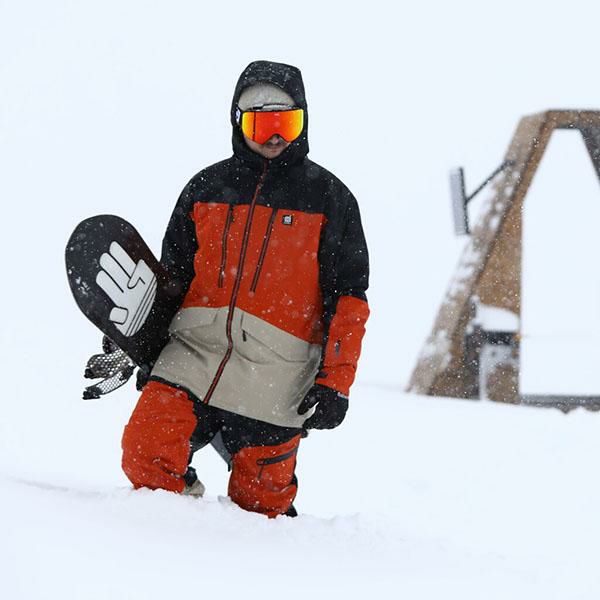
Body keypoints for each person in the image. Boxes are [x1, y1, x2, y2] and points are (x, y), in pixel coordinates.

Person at [121, 60, 370, 518]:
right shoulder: (205, 188)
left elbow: (348, 301)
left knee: (262, 508)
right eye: (261, 124)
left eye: (286, 124)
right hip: (193, 356)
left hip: (279, 378)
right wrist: (145, 342)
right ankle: (168, 536)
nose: (274, 138)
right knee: (145, 455)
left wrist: (336, 382)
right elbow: (172, 278)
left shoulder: (331, 199)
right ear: (238, 122)